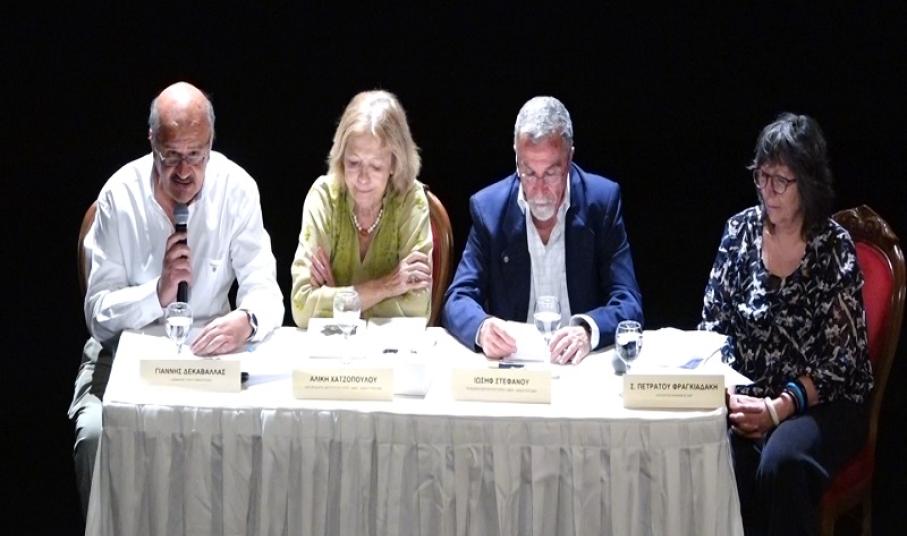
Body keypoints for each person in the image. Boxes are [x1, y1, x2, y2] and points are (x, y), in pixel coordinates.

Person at [70, 81, 284, 517]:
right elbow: (98, 314)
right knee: (94, 435)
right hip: (123, 354)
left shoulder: (237, 189)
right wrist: (157, 292)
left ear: (211, 144)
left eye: (196, 155)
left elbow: (266, 289)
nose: (184, 171)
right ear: (151, 142)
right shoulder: (119, 197)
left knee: (266, 433)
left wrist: (247, 319)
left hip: (209, 357)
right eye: (171, 156)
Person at [699, 113, 873, 535]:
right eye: (762, 177)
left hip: (822, 402)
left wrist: (777, 409)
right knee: (714, 452)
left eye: (781, 180)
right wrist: (730, 395)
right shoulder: (739, 232)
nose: (768, 191)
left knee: (781, 461)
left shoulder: (833, 248)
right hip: (747, 397)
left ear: (807, 184)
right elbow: (712, 328)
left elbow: (841, 363)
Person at [442, 96, 643, 364]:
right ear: (516, 157)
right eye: (528, 172)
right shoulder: (489, 209)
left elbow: (628, 301)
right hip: (515, 365)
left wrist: (587, 330)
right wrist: (483, 328)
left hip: (581, 363)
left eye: (550, 174)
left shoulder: (601, 203)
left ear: (569, 158)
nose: (538, 191)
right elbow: (457, 298)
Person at [290, 90, 432, 327]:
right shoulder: (324, 196)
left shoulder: (411, 199)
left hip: (394, 348)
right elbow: (302, 307)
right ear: (341, 157)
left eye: (376, 166)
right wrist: (387, 286)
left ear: (394, 164)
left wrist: (338, 296)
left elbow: (417, 311)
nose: (363, 179)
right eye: (354, 163)